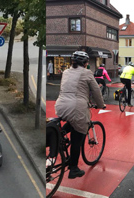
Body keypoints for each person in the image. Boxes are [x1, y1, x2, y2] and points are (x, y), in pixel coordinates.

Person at [54, 51, 106, 179]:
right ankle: (74, 169)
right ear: (85, 63)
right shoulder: (87, 73)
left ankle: (60, 135)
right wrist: (101, 105)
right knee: (77, 138)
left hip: (60, 105)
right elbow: (96, 90)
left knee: (73, 121)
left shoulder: (66, 72)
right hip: (76, 107)